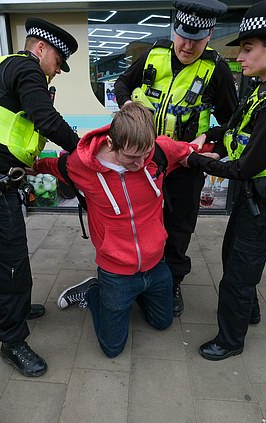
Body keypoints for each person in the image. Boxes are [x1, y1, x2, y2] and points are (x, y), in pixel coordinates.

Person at [187, 0, 266, 361]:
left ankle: (230, 341)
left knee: (238, 272)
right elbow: (236, 127)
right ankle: (249, 311)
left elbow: (244, 167)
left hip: (265, 195)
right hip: (257, 195)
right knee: (237, 257)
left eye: (247, 48)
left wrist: (196, 160)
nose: (239, 57)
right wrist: (211, 137)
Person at [0, 18, 80, 377]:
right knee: (6, 261)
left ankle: (21, 305)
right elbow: (46, 118)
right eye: (58, 62)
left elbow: (10, 127)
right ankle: (12, 341)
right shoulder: (27, 68)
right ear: (40, 48)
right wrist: (82, 148)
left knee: (9, 253)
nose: (57, 71)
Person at [35, 103, 197, 358]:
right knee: (112, 349)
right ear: (111, 143)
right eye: (132, 157)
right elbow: (51, 166)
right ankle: (94, 291)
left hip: (156, 265)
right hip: (116, 272)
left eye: (146, 154)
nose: (141, 163)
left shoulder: (157, 153)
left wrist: (204, 148)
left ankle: (133, 298)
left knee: (163, 322)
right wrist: (30, 167)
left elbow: (188, 150)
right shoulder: (80, 165)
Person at [114, 0, 238, 317]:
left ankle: (172, 282)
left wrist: (209, 140)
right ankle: (138, 277)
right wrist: (127, 104)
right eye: (182, 35)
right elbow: (122, 82)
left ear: (209, 35)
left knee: (178, 227)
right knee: (139, 223)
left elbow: (232, 122)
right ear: (174, 30)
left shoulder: (216, 70)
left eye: (196, 38)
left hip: (184, 167)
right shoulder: (153, 54)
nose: (187, 44)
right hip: (144, 163)